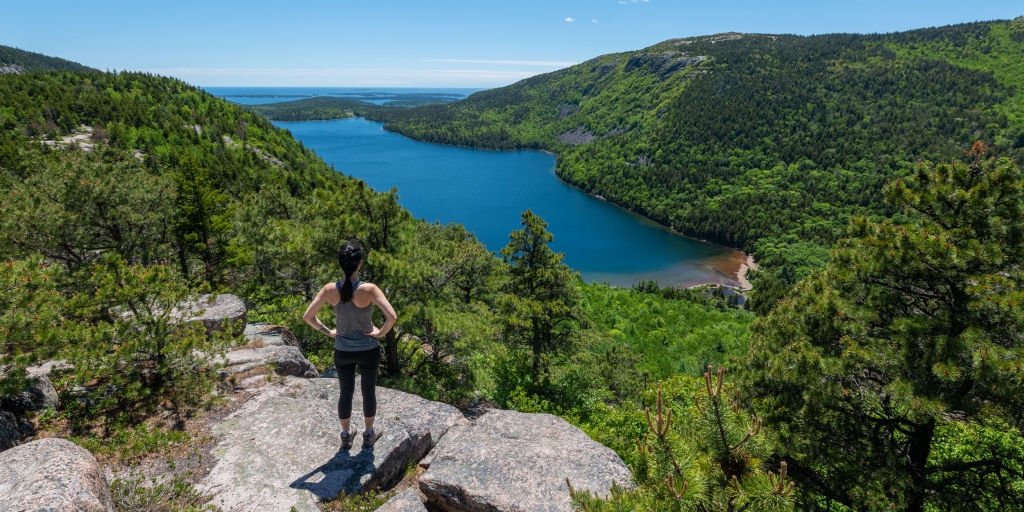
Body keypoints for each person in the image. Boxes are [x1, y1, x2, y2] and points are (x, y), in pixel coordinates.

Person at [303, 241, 397, 450]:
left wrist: (328, 332)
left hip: (342, 350)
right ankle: (369, 435)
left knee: (345, 391)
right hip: (368, 350)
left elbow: (308, 317)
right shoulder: (369, 289)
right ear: (359, 264)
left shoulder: (329, 290)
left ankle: (346, 436)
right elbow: (392, 317)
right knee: (368, 391)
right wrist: (378, 333)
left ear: (340, 263)